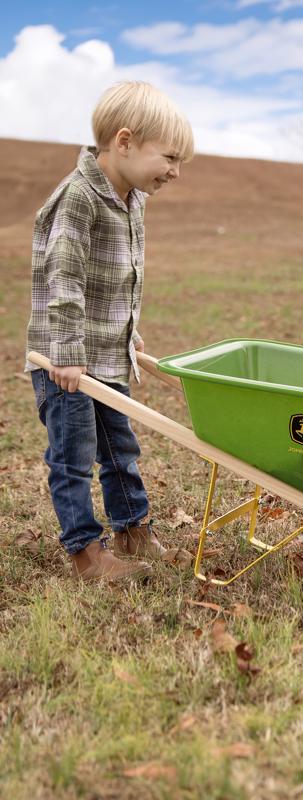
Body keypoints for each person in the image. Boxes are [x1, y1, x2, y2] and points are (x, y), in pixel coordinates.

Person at [25, 81, 194, 580]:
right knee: (72, 457)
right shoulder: (78, 199)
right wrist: (68, 352)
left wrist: (128, 334)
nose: (175, 172)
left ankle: (133, 528)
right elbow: (65, 280)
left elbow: (118, 275)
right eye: (169, 157)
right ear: (125, 142)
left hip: (107, 353)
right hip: (66, 363)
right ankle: (85, 552)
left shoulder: (132, 197)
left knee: (119, 448)